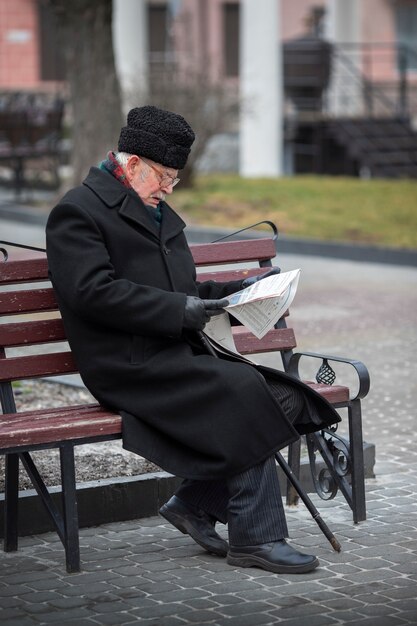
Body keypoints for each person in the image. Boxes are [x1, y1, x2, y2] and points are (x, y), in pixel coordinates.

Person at [46, 105, 341, 575]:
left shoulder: (156, 211)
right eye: (163, 175)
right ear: (133, 163)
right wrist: (177, 311)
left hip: (171, 352)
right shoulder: (77, 212)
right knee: (245, 391)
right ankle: (256, 537)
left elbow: (181, 292)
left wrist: (238, 295)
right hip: (127, 364)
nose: (168, 187)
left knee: (285, 395)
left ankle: (193, 503)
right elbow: (91, 293)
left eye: (175, 179)